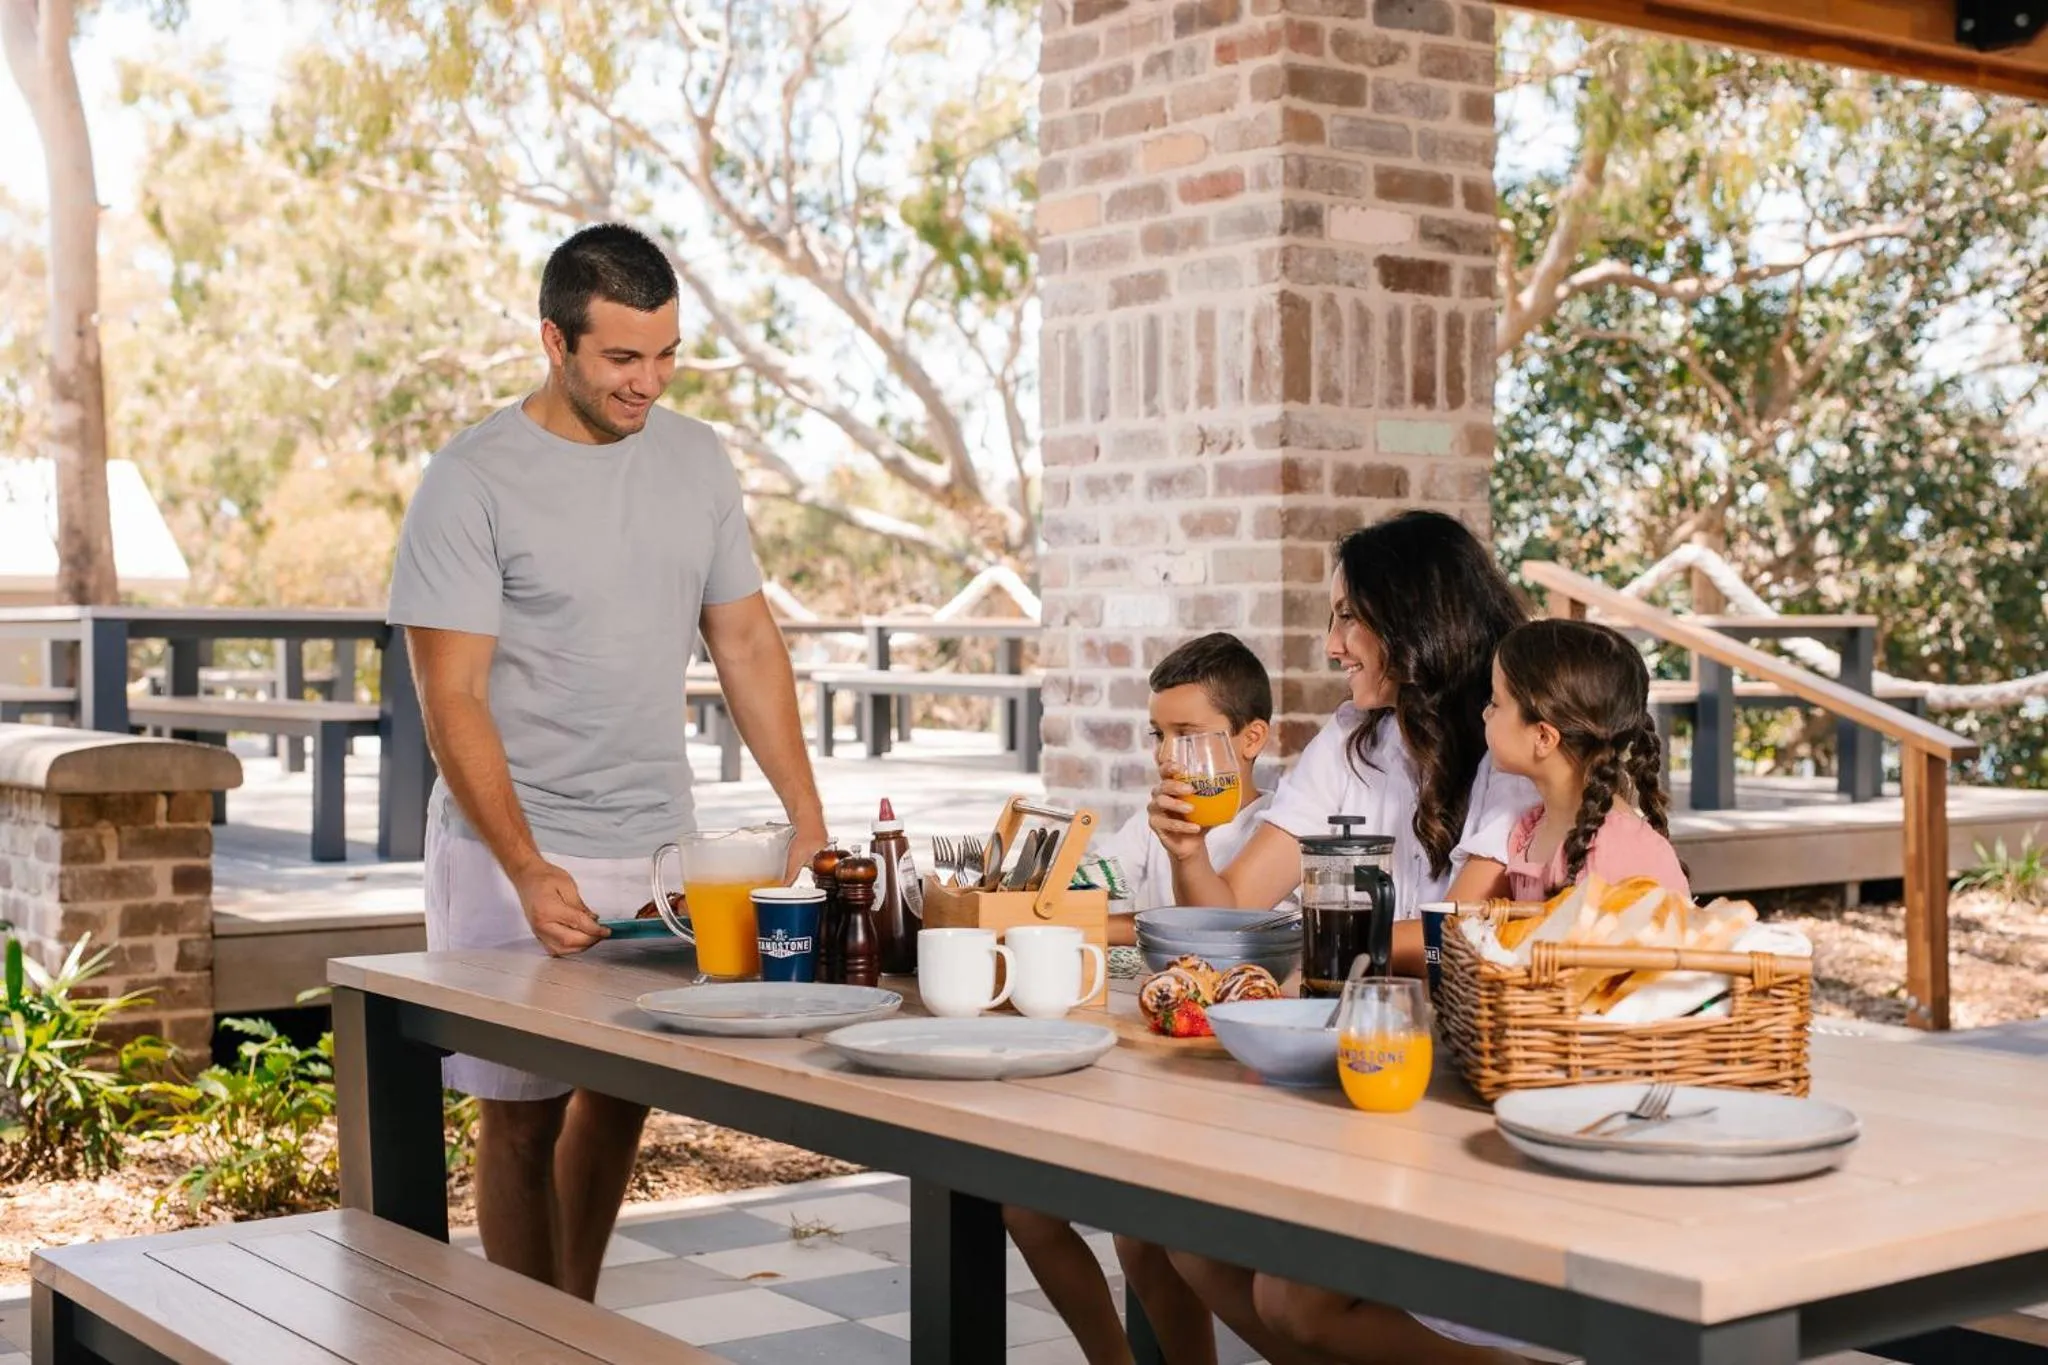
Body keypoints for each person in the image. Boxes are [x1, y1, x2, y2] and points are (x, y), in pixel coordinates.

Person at [386, 223, 827, 1300]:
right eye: (622, 359)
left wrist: (807, 819)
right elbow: (450, 698)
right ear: (555, 342)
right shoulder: (472, 479)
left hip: (655, 842)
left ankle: (570, 1324)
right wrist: (529, 867)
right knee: (522, 1117)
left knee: (622, 1093)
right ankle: (533, 1342)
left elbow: (747, 643)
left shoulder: (695, 459)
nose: (649, 381)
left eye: (667, 354)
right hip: (507, 846)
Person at [1138, 509, 1537, 1365]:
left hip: (1453, 1081)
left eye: (1348, 616)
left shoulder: (1507, 746)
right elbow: (1238, 910)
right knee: (1184, 1241)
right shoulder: (1351, 741)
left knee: (1297, 1300)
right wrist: (1188, 849)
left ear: (1413, 619)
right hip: (1348, 1060)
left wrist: (1333, 944)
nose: (1332, 646)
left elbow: (1458, 936)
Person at [1005, 631, 1274, 1365]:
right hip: (1148, 1064)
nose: (1165, 755)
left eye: (1188, 735)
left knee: (1141, 1233)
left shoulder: (1268, 836)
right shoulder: (1153, 826)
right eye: (1160, 735)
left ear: (1251, 739)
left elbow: (1204, 933)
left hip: (1229, 1080)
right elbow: (1088, 892)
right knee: (1022, 1201)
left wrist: (1107, 919)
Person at [1484, 618, 1689, 901]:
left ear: (1544, 737)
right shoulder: (1530, 829)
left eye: (1495, 702)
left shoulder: (1622, 851)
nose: (1486, 714)